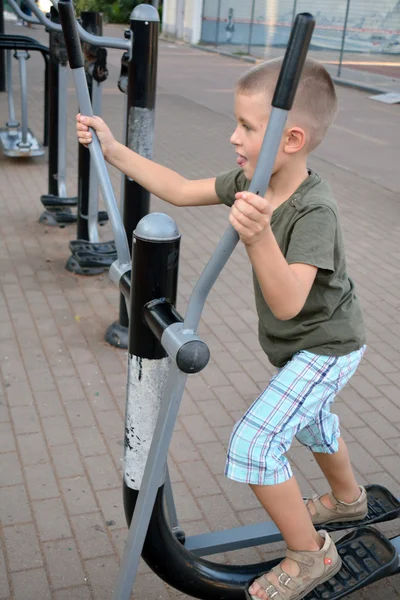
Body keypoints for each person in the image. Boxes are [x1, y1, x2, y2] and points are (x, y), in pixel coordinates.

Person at [76, 57, 368, 600]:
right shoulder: (250, 181)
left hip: (327, 347)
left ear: (292, 138)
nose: (232, 135)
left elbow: (287, 304)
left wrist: (259, 239)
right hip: (300, 348)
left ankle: (310, 555)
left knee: (255, 443)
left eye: (248, 127)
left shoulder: (313, 210)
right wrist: (113, 150)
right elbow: (182, 188)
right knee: (312, 421)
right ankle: (348, 498)